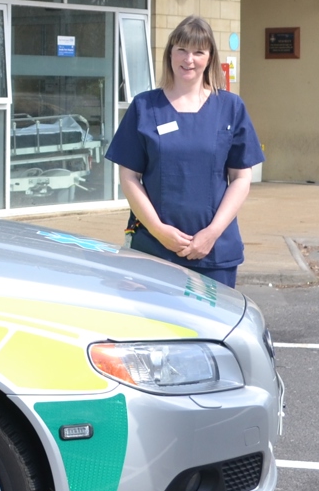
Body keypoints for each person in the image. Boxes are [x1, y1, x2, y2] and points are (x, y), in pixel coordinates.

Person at [106, 15, 263, 287]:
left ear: (210, 57)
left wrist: (212, 233)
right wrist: (158, 231)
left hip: (214, 253)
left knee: (212, 330)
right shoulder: (145, 107)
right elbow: (129, 177)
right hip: (153, 251)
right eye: (181, 50)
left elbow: (241, 178)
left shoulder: (230, 107)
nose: (188, 59)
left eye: (198, 52)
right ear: (170, 54)